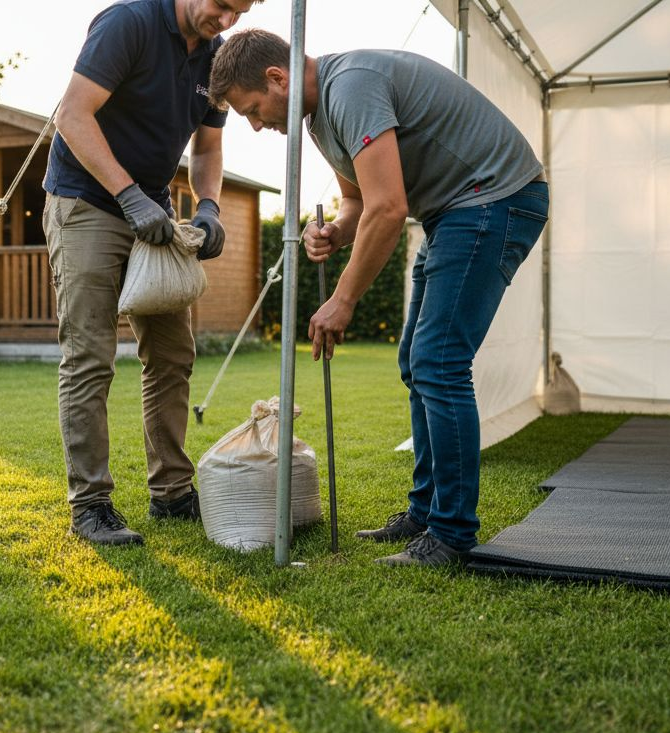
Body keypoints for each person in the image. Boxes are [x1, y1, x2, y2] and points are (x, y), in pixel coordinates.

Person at [210, 30, 548, 566]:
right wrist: (337, 234)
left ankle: (453, 535)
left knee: (439, 361)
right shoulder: (320, 118)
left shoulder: (350, 88)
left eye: (253, 110)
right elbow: (358, 201)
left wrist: (344, 299)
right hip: (454, 212)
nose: (256, 125)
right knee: (417, 362)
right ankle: (425, 512)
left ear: (277, 78)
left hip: (495, 197)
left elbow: (389, 209)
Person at [44, 0, 261, 546]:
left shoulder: (216, 59)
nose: (227, 21)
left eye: (240, 12)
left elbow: (207, 145)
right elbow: (72, 114)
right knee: (90, 356)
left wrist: (208, 206)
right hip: (86, 203)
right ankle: (90, 506)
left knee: (171, 354)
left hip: (155, 212)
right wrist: (127, 195)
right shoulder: (129, 24)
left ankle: (172, 492)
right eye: (221, 6)